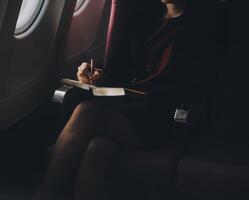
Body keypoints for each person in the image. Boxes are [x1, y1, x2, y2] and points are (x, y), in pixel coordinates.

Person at [35, 0, 226, 199]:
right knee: (96, 149)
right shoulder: (143, 13)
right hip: (127, 105)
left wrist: (155, 93)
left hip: (163, 114)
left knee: (86, 113)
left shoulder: (206, 21)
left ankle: (45, 194)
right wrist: (99, 76)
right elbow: (120, 67)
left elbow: (200, 83)